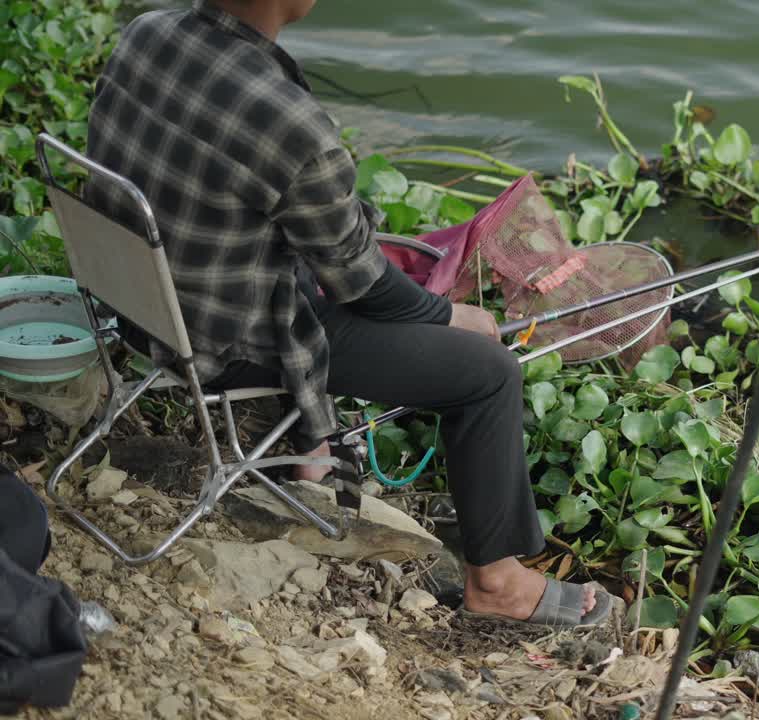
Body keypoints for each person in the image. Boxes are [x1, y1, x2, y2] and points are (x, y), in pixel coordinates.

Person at [83, 0, 606, 627]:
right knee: (490, 373)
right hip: (221, 344)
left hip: (135, 306)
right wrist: (447, 316)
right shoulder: (292, 125)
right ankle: (496, 583)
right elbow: (361, 285)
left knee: (293, 252)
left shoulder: (147, 32)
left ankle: (311, 443)